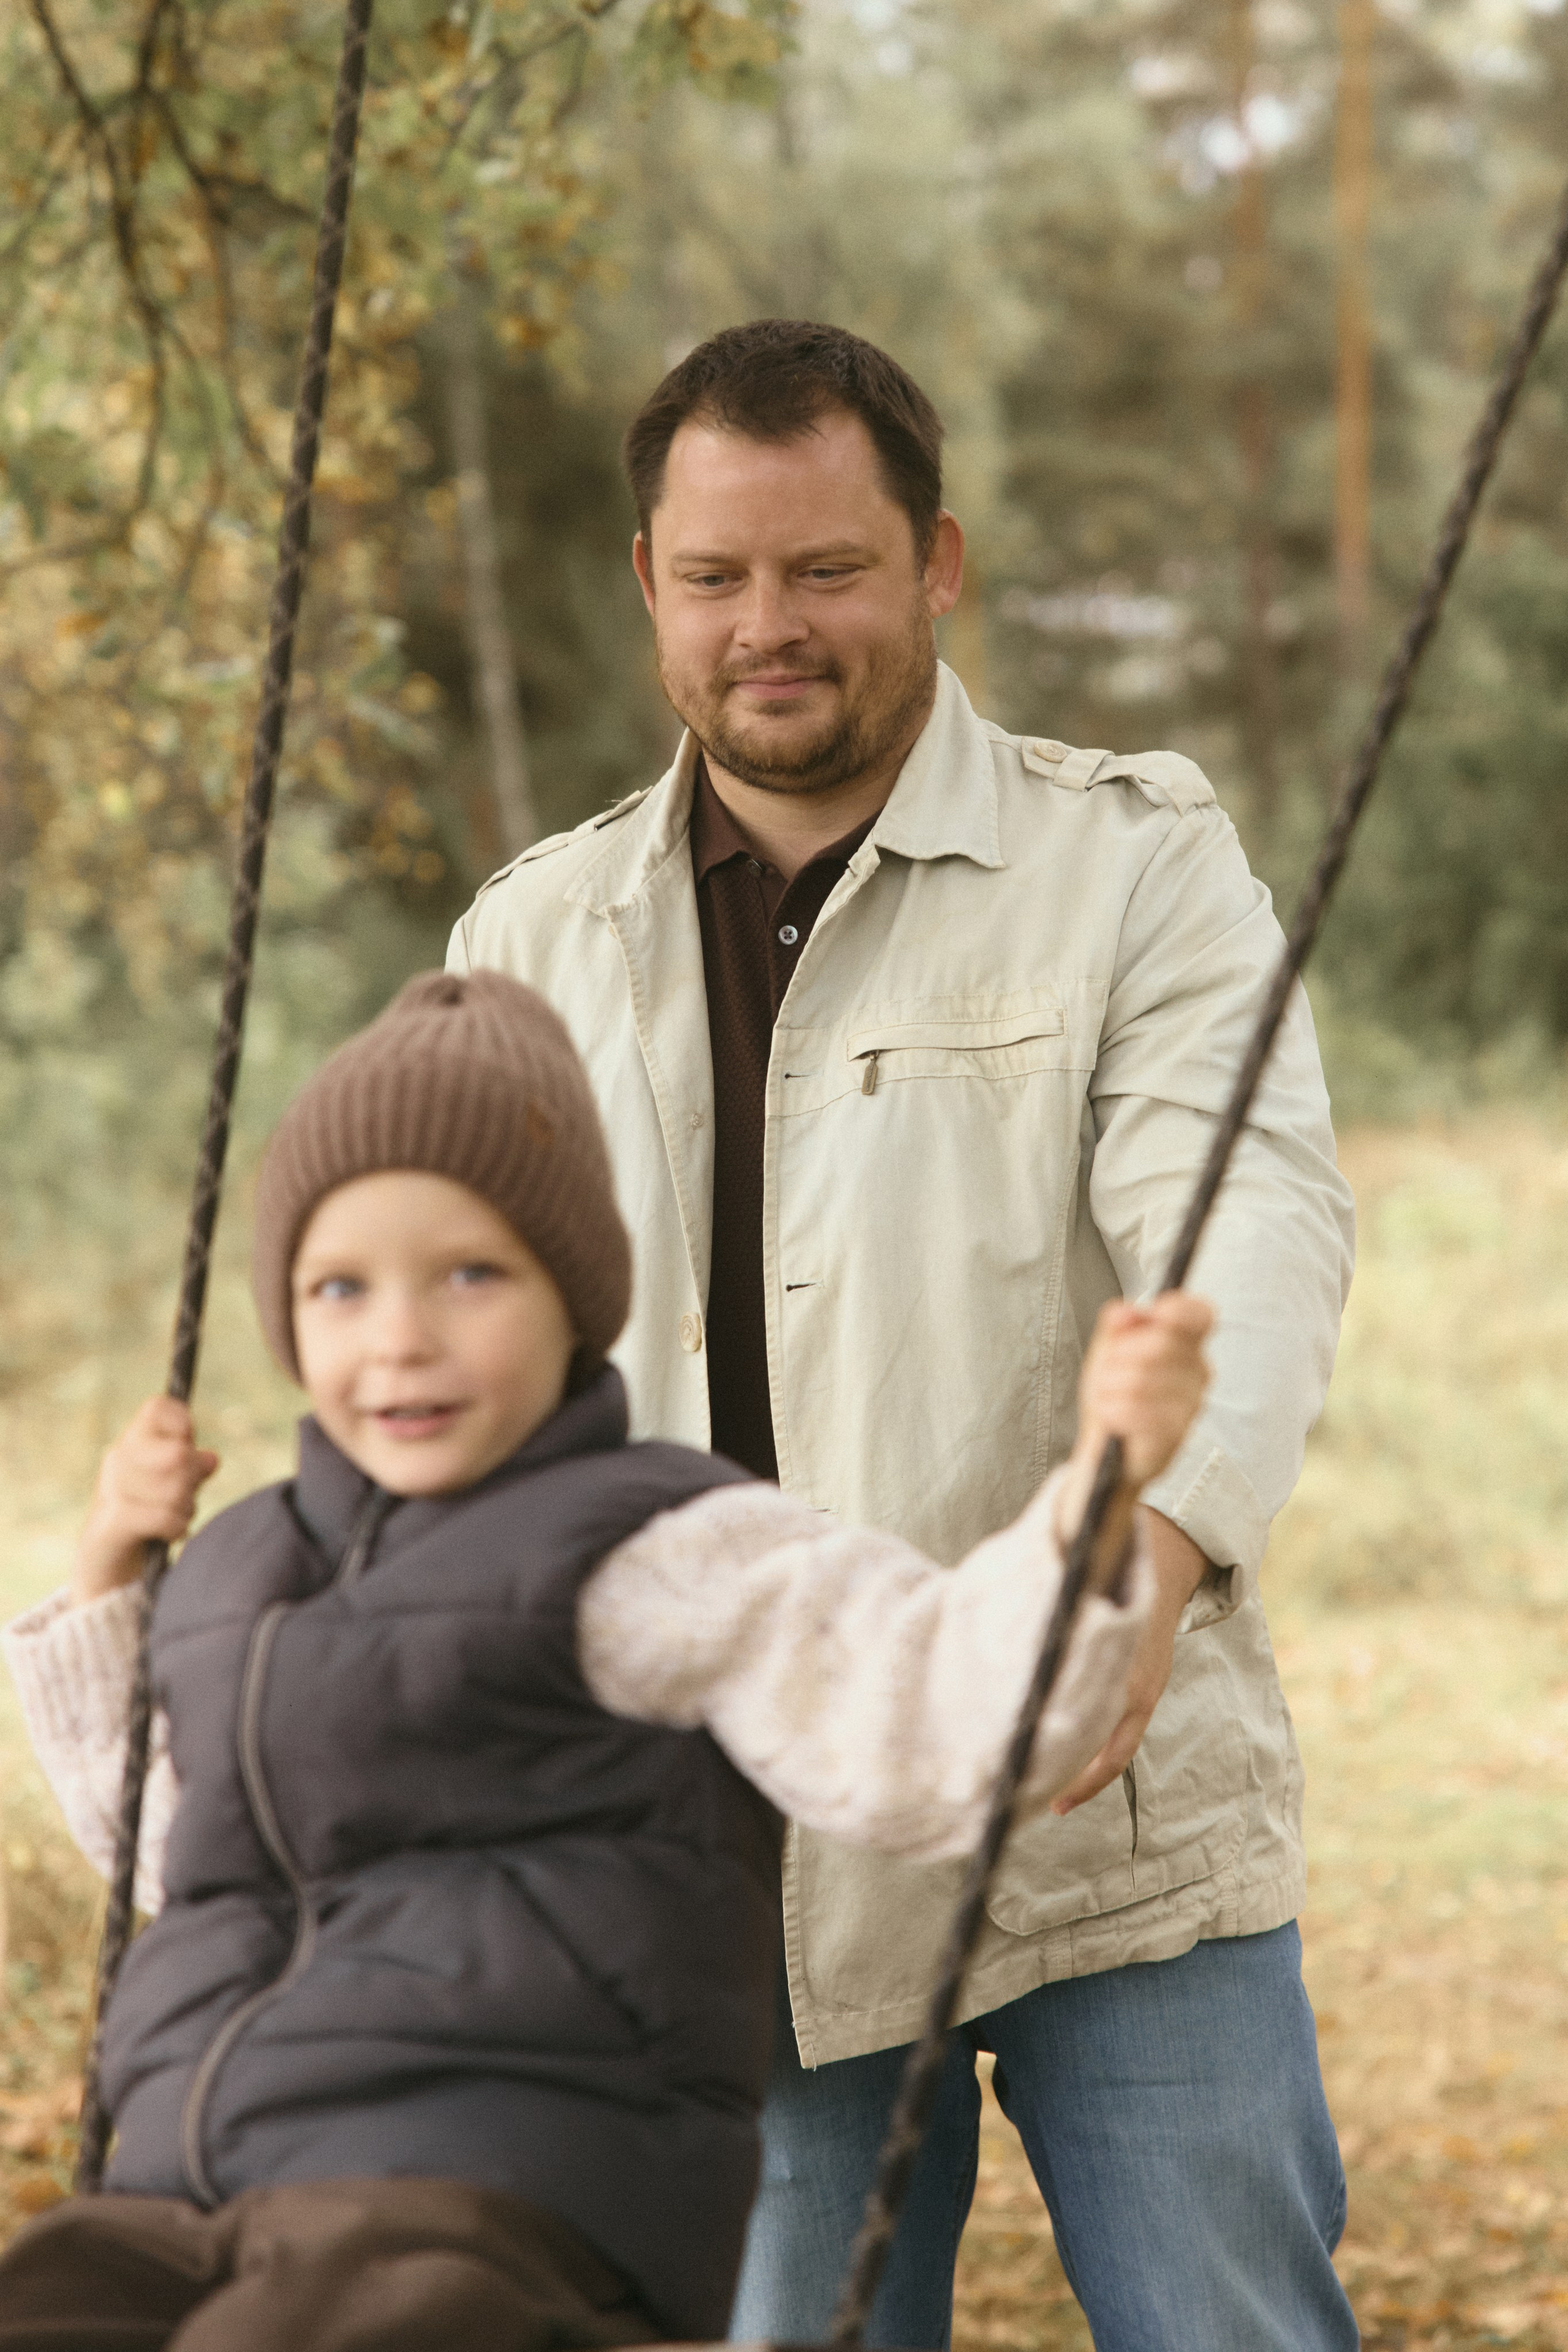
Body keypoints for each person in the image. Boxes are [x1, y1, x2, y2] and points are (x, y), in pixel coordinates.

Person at [445, 320, 1360, 2348]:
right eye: (718, 576)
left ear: (936, 561)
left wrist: (1161, 1537)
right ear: (650, 587)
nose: (770, 625)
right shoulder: (529, 940)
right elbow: (457, 1369)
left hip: (1105, 1792)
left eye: (827, 569)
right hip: (731, 1848)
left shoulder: (1133, 867)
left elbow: (1255, 1221)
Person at [0, 968, 1211, 2352]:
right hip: (186, 2199)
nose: (399, 1336)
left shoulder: (654, 1546)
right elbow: (177, 1855)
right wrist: (107, 1574)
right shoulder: (239, 1564)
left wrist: (1094, 1497)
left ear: (572, 1298)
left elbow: (940, 1729)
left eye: (470, 1275)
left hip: (486, 2209)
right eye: (341, 1287)